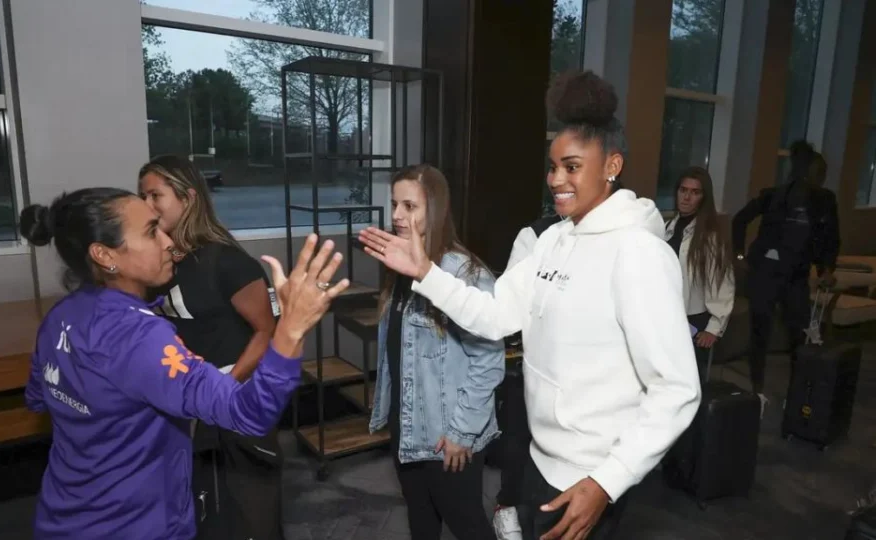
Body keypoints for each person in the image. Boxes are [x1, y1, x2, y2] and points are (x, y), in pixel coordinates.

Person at [359, 70, 701, 540]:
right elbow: (494, 315)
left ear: (612, 165)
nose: (556, 179)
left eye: (572, 167)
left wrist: (608, 481)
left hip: (590, 477)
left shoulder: (639, 252)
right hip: (540, 462)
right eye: (553, 166)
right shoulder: (553, 241)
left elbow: (677, 389)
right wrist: (426, 274)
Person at [20, 187, 349, 540]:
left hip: (63, 516)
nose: (168, 242)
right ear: (105, 255)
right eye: (151, 232)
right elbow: (248, 412)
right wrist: (292, 329)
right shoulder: (140, 337)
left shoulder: (60, 316)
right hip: (133, 525)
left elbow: (38, 397)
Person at [139, 155, 283, 540]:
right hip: (189, 401)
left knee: (251, 510)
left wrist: (223, 390)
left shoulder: (226, 261)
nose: (147, 205)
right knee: (203, 505)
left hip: (238, 398)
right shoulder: (160, 262)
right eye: (142, 196)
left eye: (156, 195)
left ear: (187, 198)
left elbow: (268, 333)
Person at [368, 164, 504, 540]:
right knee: (421, 521)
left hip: (449, 435)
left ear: (436, 209)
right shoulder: (400, 268)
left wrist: (462, 432)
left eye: (410, 206)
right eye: (395, 204)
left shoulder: (464, 274)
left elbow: (489, 361)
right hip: (407, 427)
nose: (397, 215)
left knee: (467, 524)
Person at [732, 142, 840, 412]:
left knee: (799, 337)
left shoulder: (824, 201)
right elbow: (740, 220)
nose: (821, 176)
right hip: (765, 274)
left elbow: (830, 239)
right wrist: (740, 256)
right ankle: (756, 391)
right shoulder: (774, 196)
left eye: (823, 172)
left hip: (796, 277)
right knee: (760, 334)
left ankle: (797, 395)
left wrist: (826, 270)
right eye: (818, 171)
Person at [493, 214, 563, 540]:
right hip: (533, 364)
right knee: (518, 438)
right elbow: (507, 306)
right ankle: (505, 507)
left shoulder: (622, 235)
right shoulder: (536, 235)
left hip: (579, 379)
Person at [664, 167, 735, 380]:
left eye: (695, 192)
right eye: (683, 190)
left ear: (704, 198)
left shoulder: (710, 237)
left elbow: (722, 282)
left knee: (688, 381)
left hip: (694, 320)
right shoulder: (667, 228)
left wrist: (714, 327)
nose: (686, 197)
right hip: (667, 315)